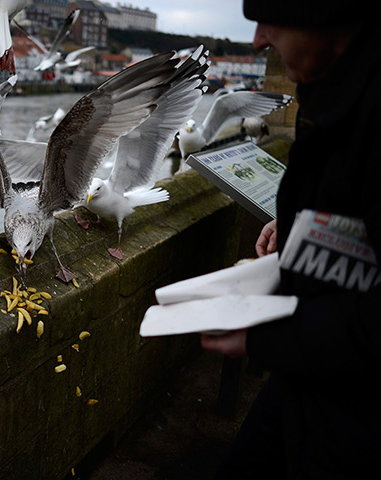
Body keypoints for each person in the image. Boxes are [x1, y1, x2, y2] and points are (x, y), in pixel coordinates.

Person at [200, 2, 381, 479]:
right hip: (310, 373)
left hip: (357, 404)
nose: (258, 39)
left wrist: (265, 335)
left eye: (270, 18)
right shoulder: (337, 86)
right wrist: (302, 226)